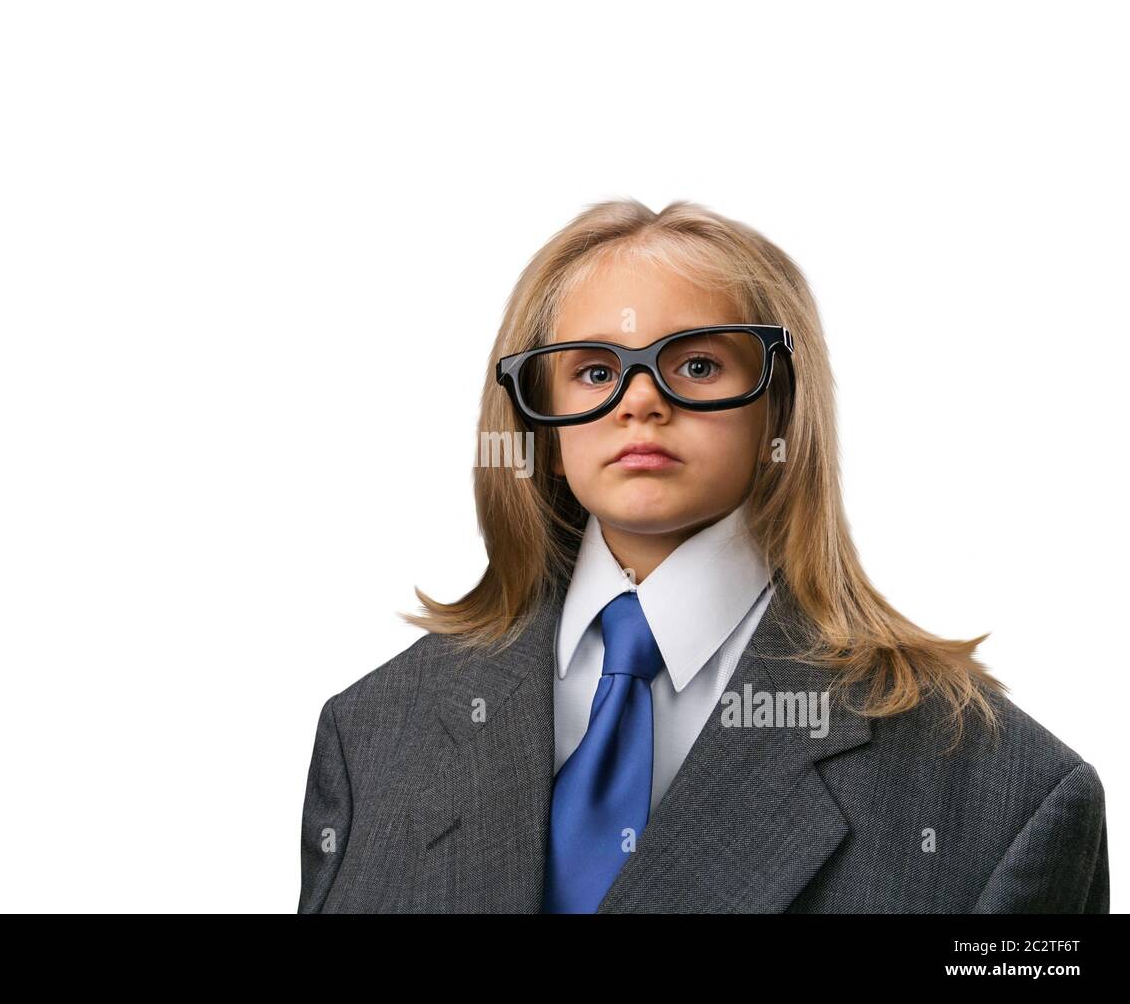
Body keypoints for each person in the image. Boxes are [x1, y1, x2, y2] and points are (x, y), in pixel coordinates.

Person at [297, 198, 1109, 913]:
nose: (642, 400)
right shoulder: (372, 736)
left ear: (779, 413)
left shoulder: (1001, 796)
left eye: (696, 364)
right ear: (538, 429)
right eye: (592, 371)